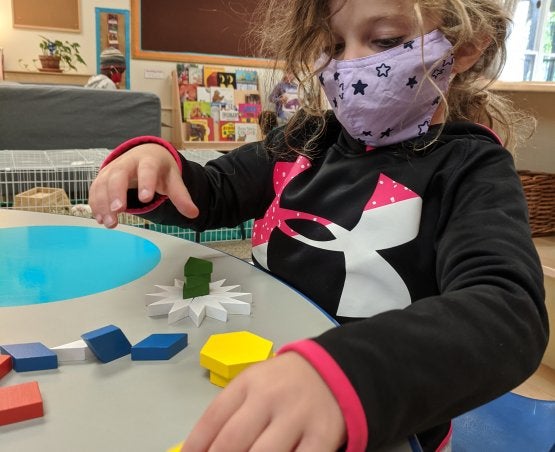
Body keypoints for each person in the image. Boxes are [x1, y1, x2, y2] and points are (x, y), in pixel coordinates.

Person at [88, 0, 548, 450]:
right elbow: (214, 192)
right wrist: (154, 168)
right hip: (254, 383)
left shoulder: (471, 169)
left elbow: (507, 311)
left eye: (385, 40)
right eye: (331, 45)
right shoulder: (302, 141)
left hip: (374, 419)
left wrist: (349, 375)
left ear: (464, 47)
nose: (349, 66)